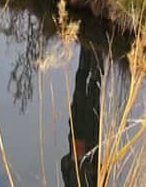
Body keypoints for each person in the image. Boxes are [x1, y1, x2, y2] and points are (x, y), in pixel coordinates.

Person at [61, 43, 103, 187]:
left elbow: (64, 162)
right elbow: (102, 168)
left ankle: (86, 46)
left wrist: (73, 159)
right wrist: (86, 164)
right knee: (94, 86)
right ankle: (98, 48)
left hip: (77, 132)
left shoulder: (69, 182)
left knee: (80, 80)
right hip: (91, 134)